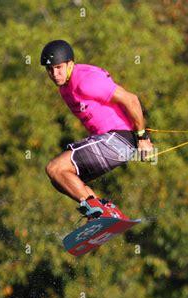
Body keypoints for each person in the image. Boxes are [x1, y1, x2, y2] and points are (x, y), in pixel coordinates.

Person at [41, 40, 153, 219]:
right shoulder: (65, 88)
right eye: (50, 70)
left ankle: (97, 210)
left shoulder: (85, 80)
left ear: (70, 63)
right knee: (62, 180)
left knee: (55, 168)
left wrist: (142, 137)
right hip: (112, 142)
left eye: (59, 67)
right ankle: (104, 216)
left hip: (117, 139)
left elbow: (131, 99)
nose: (55, 74)